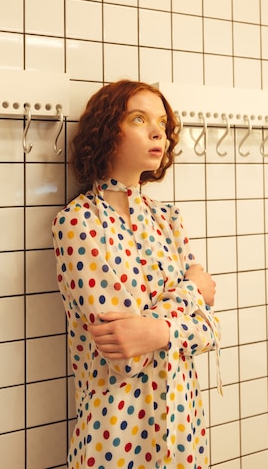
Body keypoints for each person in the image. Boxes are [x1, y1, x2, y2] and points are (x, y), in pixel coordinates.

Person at [52, 80, 222, 469]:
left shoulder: (168, 219)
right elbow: (126, 356)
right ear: (107, 129)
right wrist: (195, 292)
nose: (157, 131)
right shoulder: (78, 223)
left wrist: (158, 329)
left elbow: (212, 331)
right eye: (139, 118)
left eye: (161, 121)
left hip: (184, 435)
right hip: (116, 440)